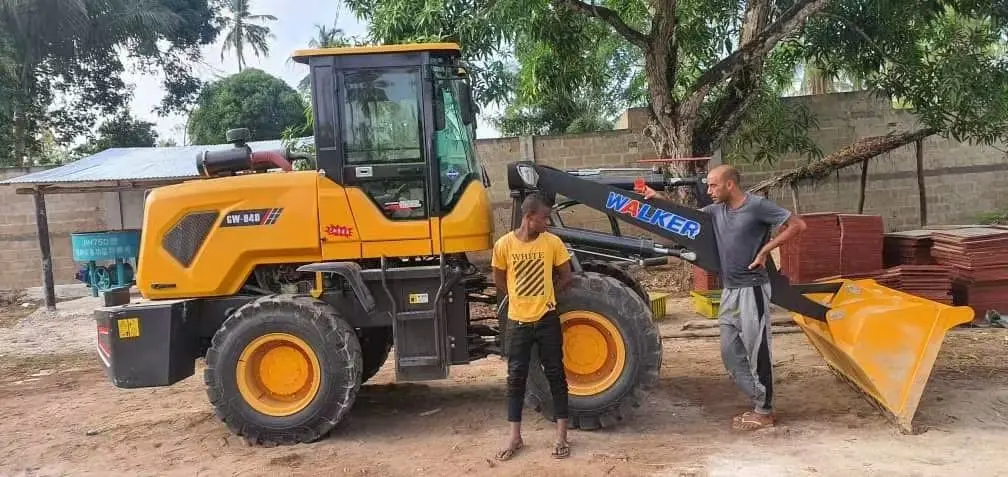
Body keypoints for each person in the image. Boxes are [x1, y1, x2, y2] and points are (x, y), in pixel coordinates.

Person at [643, 164, 806, 431]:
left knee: (757, 351)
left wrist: (766, 249)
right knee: (730, 353)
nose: (708, 190)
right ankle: (759, 402)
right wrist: (659, 199)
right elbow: (690, 216)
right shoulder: (716, 211)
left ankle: (764, 412)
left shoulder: (757, 206)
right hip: (730, 290)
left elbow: (797, 224)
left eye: (713, 185)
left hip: (752, 288)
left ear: (730, 184)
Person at [491, 192, 574, 460]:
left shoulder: (553, 243)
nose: (547, 222)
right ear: (529, 218)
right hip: (518, 322)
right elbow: (500, 279)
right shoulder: (504, 245)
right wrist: (516, 299)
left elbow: (566, 275)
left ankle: (561, 436)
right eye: (544, 218)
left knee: (556, 376)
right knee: (515, 379)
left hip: (547, 320)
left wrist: (549, 297)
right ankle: (515, 438)